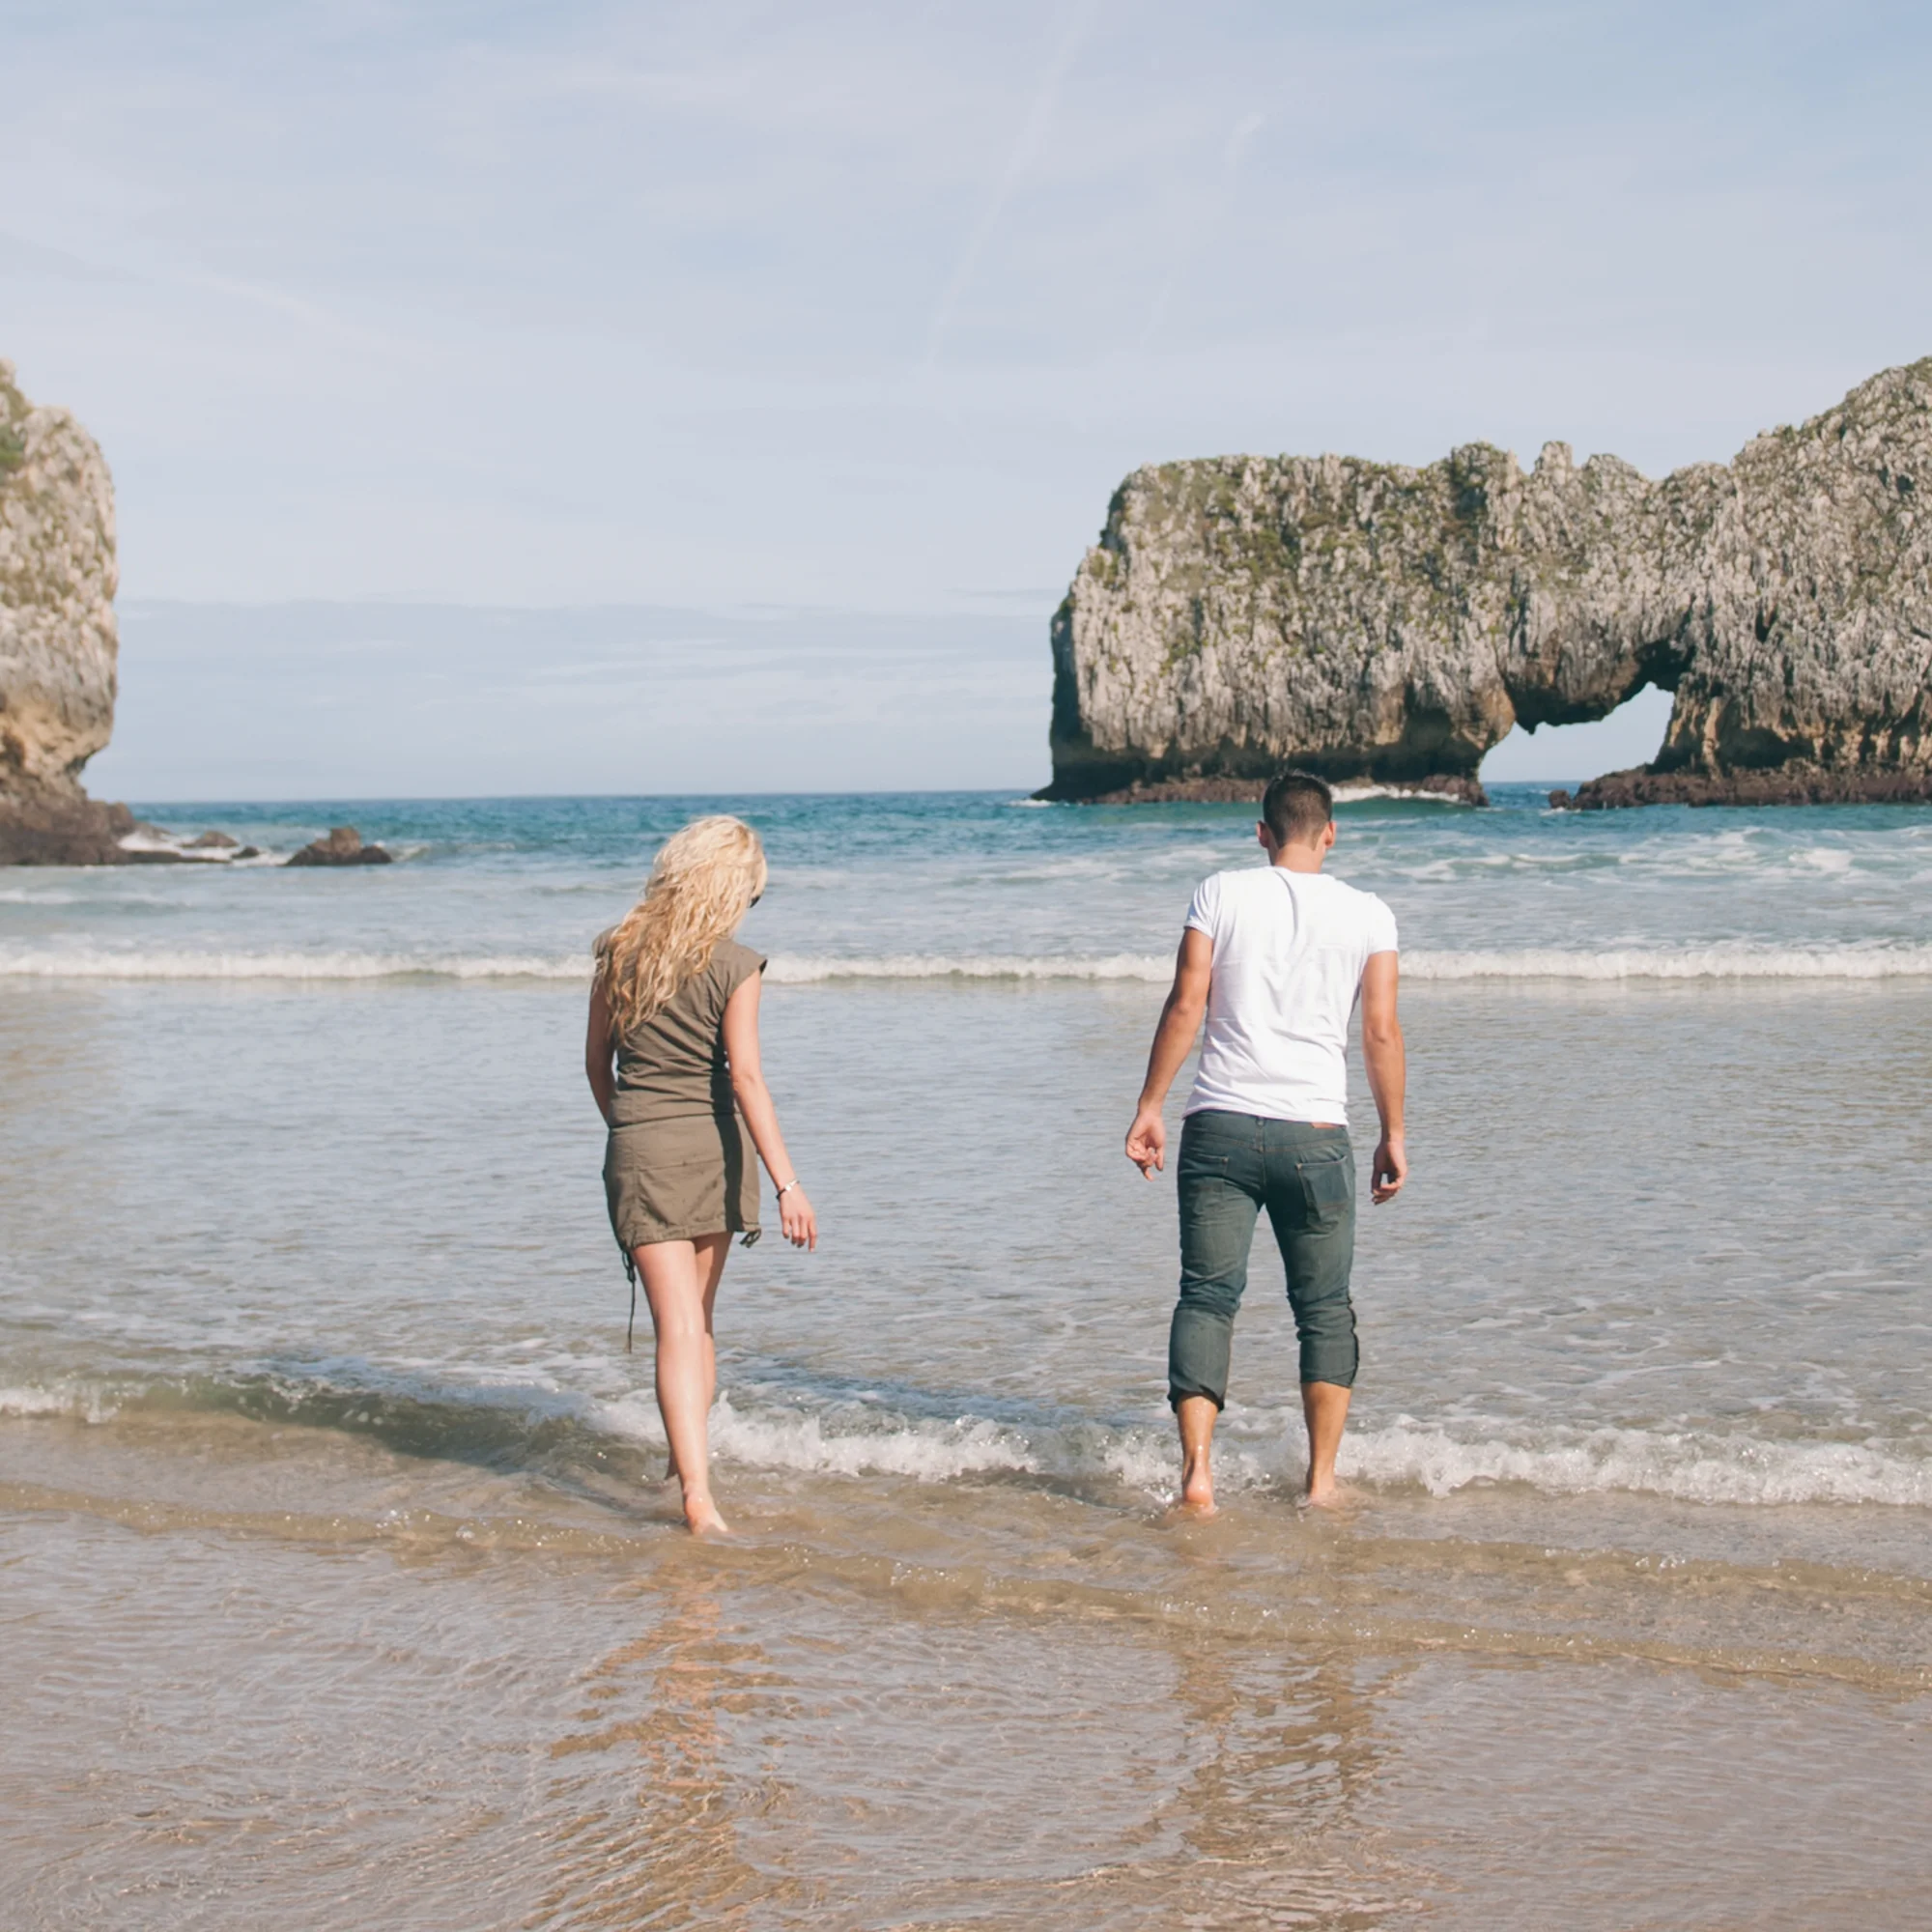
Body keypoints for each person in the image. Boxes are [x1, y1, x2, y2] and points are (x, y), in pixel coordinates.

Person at [1124, 770, 1406, 1513]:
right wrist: (1394, 1132)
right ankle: (1321, 1483)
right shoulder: (1370, 913)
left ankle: (1198, 1477)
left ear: (1261, 834)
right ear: (1331, 833)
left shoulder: (1220, 893)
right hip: (1316, 1134)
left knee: (1207, 1298)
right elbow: (1380, 1031)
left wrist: (1150, 1105)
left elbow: (1187, 1003)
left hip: (1218, 1124)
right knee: (1324, 1308)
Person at [585, 815, 816, 1536]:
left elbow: (596, 1065)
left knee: (679, 1326)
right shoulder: (736, 965)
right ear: (730, 889)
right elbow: (746, 1080)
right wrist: (788, 1184)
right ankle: (696, 1491)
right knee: (698, 1325)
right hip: (715, 1150)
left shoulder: (618, 951)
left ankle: (686, 1476)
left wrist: (630, 1130)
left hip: (641, 1147)